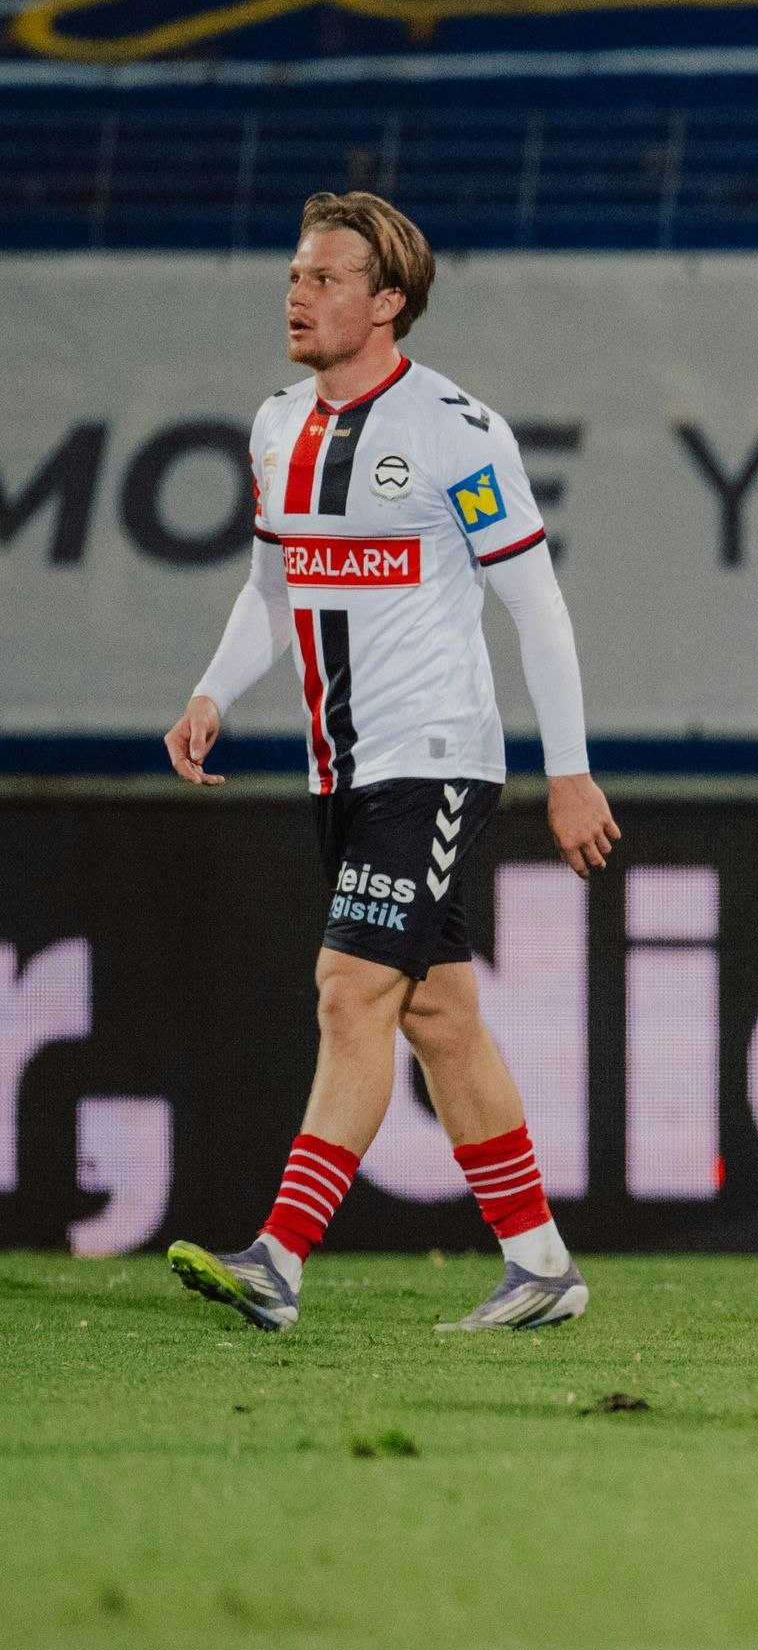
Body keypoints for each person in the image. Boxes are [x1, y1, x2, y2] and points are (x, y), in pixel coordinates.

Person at [161, 192, 622, 1336]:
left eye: (325, 278)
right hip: (342, 768)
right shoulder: (277, 425)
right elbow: (272, 587)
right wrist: (214, 690)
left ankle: (278, 1258)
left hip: (435, 757)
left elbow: (537, 607)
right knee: (438, 1015)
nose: (298, 294)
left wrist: (570, 770)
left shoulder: (458, 431)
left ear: (388, 303)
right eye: (295, 274)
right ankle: (541, 1267)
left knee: (350, 989)